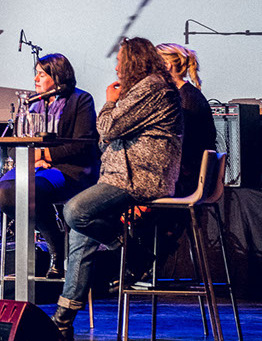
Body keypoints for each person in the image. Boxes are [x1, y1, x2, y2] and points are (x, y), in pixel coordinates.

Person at [52, 37, 182, 341]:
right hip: (121, 175)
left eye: (120, 61)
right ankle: (63, 318)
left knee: (75, 211)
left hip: (142, 176)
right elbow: (106, 139)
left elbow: (109, 128)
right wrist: (112, 124)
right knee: (80, 233)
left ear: (133, 62)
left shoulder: (152, 88)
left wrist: (110, 102)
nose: (115, 68)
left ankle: (132, 253)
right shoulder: (141, 91)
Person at [0, 53, 99, 278]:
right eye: (36, 74)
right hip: (35, 167)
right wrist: (34, 158)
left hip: (69, 169)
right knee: (4, 192)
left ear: (57, 76)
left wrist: (45, 154)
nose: (35, 79)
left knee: (28, 190)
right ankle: (56, 240)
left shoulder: (81, 100)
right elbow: (13, 145)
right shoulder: (32, 104)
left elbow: (83, 145)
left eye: (41, 74)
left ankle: (55, 251)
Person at [157, 43, 216, 196]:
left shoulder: (186, 99)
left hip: (187, 180)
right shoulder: (183, 95)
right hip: (186, 175)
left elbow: (183, 147)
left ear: (167, 65)